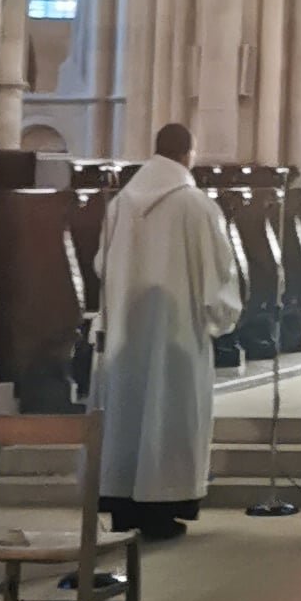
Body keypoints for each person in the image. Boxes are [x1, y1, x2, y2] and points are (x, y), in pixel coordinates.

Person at [96, 123, 244, 541]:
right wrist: (222, 318)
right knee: (169, 413)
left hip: (127, 330)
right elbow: (219, 274)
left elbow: (100, 267)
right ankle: (162, 508)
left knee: (128, 413)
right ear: (187, 155)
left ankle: (123, 505)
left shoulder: (122, 203)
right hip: (177, 336)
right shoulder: (195, 206)